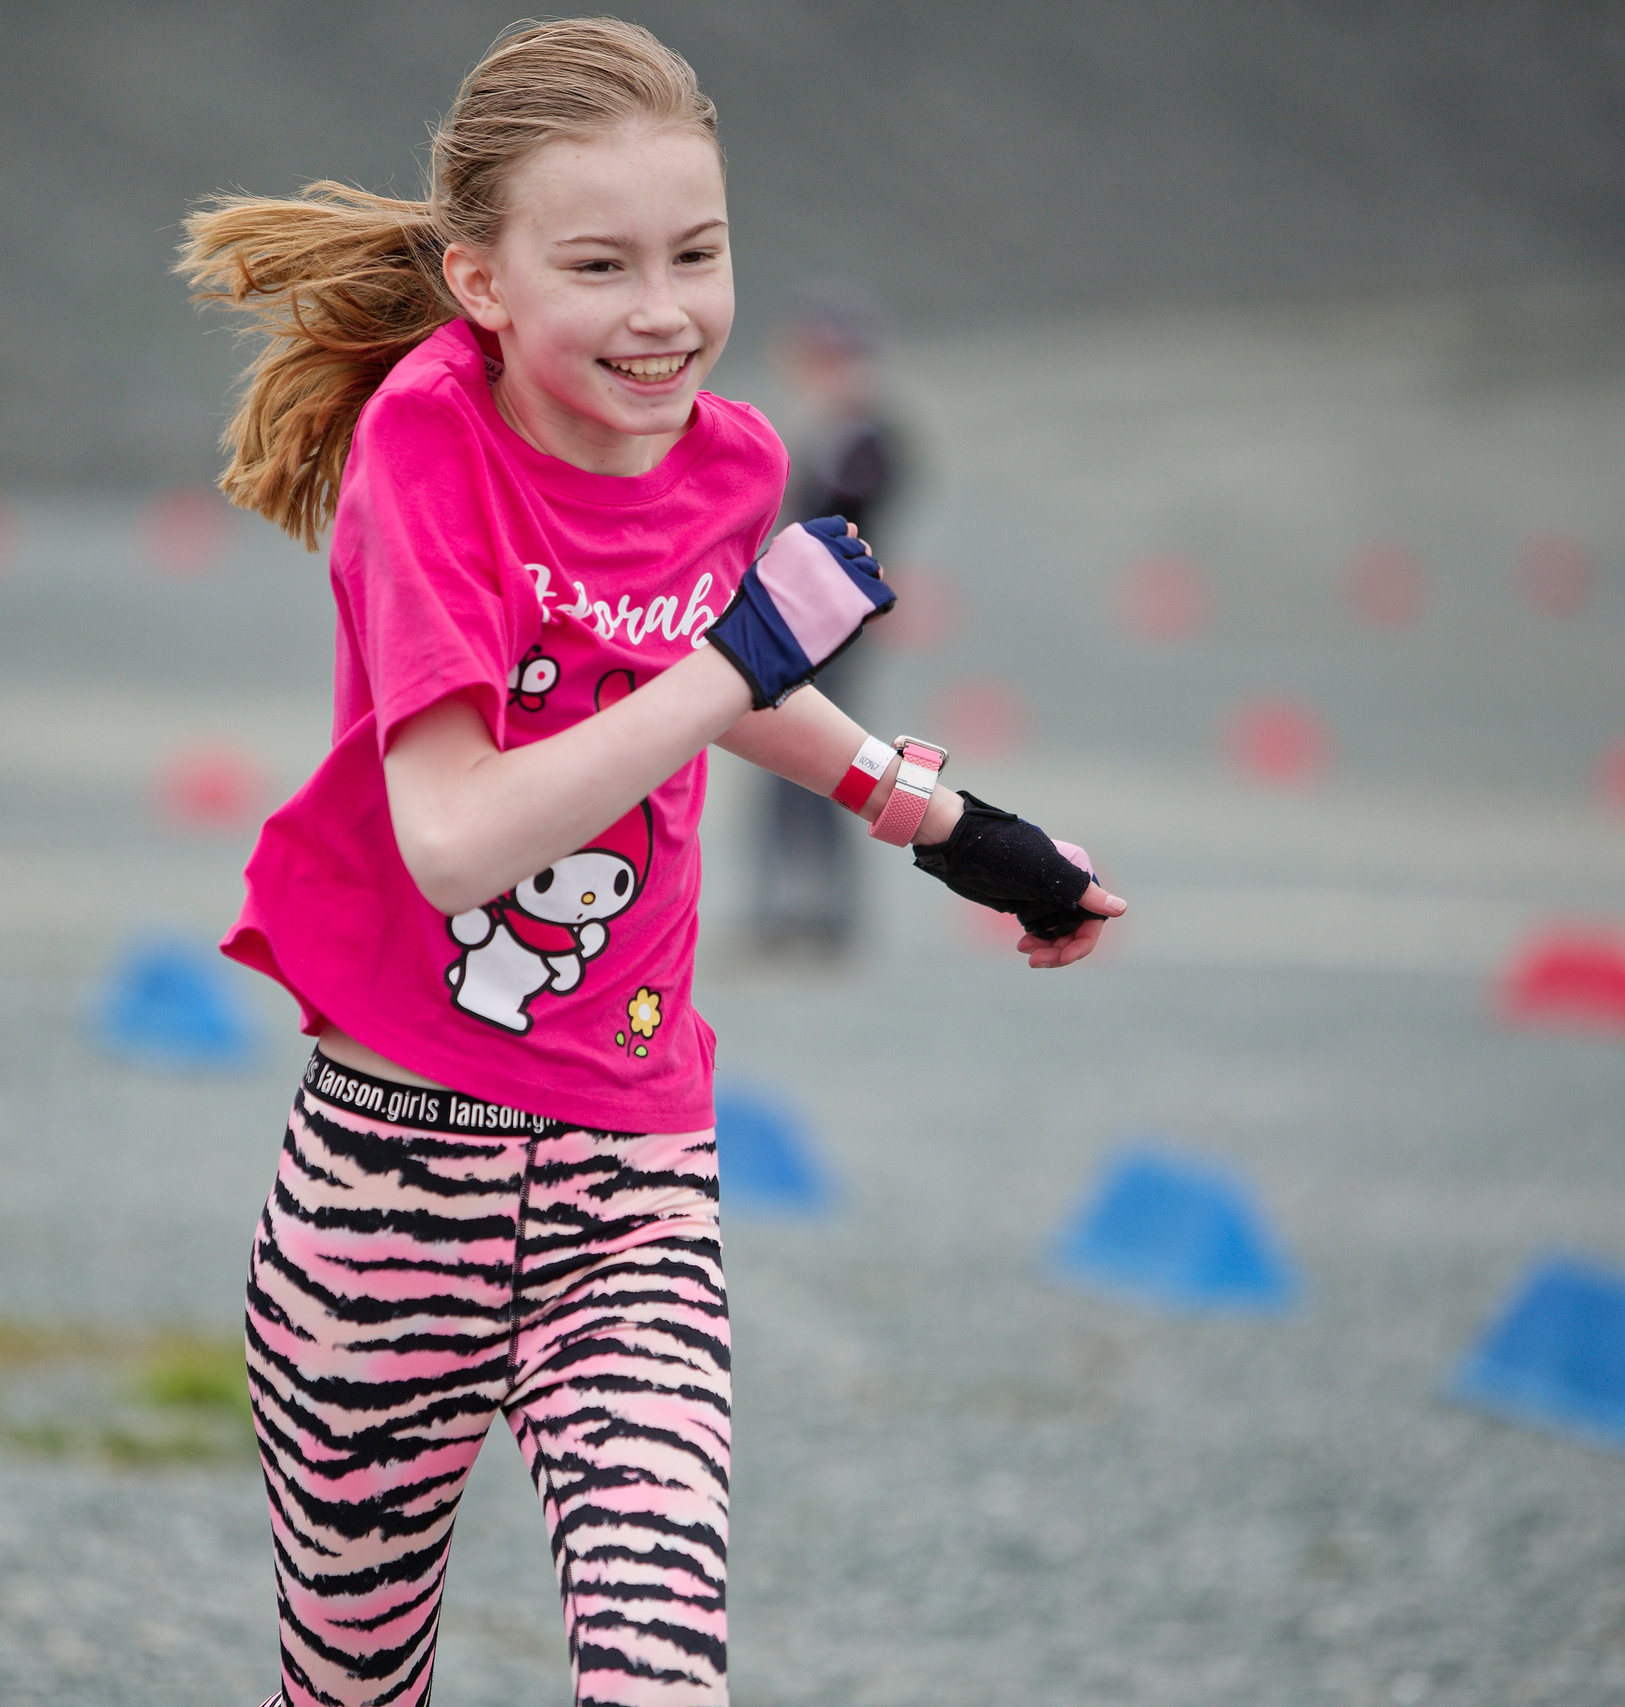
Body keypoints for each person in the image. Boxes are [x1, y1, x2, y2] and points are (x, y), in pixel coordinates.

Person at [176, 20, 1125, 1706]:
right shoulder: (428, 449)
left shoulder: (733, 459)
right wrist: (735, 659)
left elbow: (690, 676)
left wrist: (954, 828)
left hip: (632, 1184)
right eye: (599, 265)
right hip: (389, 1180)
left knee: (663, 1680)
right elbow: (455, 837)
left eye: (697, 253)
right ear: (481, 280)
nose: (664, 310)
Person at [751, 281, 908, 957]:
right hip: (791, 618)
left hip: (835, 625)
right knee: (782, 770)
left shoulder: (865, 441)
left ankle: (828, 910)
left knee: (834, 759)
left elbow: (848, 512)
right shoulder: (822, 436)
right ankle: (786, 906)